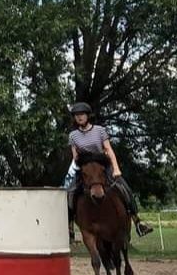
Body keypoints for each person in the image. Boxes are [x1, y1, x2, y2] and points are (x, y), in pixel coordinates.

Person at [65, 101, 153, 237]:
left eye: (82, 114)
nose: (79, 117)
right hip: (85, 167)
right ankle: (70, 226)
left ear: (88, 116)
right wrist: (79, 168)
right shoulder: (73, 135)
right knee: (70, 192)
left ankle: (137, 221)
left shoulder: (100, 130)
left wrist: (116, 168)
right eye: (76, 115)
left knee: (124, 187)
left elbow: (109, 150)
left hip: (101, 164)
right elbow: (75, 156)